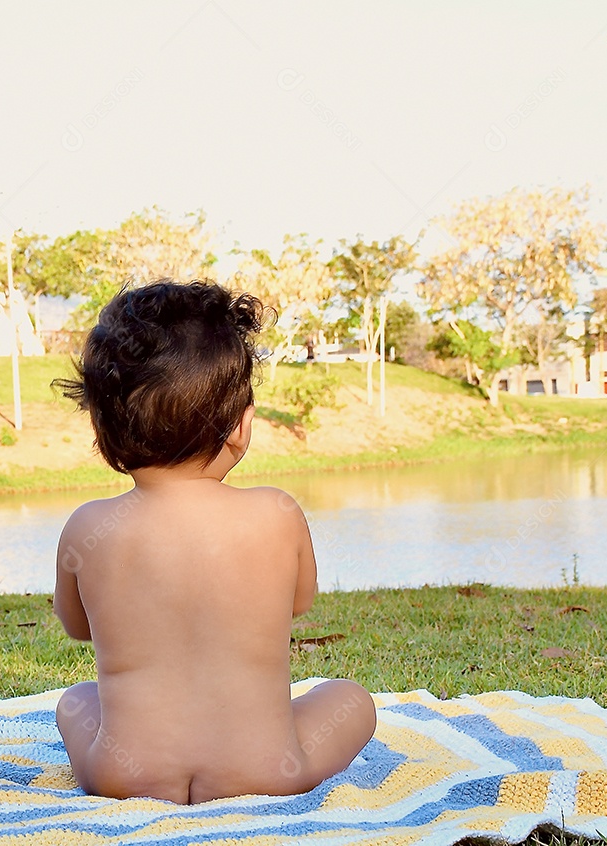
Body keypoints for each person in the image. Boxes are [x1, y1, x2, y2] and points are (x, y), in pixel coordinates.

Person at [51, 279, 376, 805]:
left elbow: (76, 626)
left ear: (102, 432)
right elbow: (300, 603)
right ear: (240, 427)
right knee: (350, 699)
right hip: (268, 768)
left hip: (123, 774)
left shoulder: (89, 527)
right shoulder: (276, 513)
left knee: (75, 702)